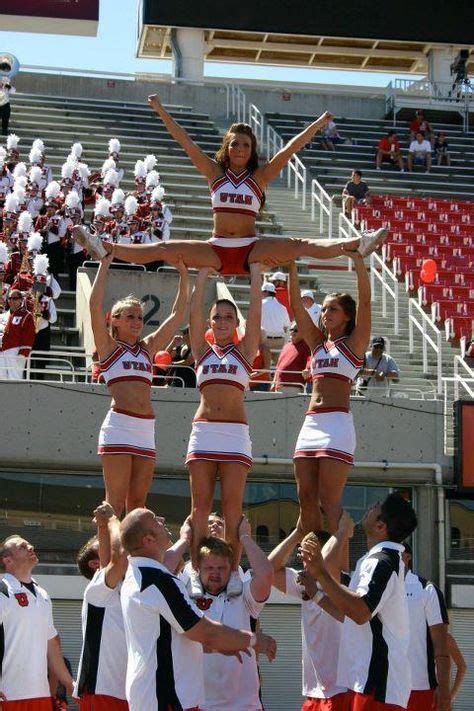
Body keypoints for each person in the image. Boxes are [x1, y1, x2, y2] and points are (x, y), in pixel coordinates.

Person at [73, 94, 389, 271]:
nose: (240, 149)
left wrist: (318, 125)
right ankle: (105, 248)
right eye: (235, 144)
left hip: (251, 248)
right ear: (227, 147)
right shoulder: (215, 173)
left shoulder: (260, 177)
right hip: (217, 249)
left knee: (298, 245)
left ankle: (358, 244)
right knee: (165, 248)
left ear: (252, 151)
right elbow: (186, 143)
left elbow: (290, 149)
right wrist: (161, 110)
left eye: (246, 145)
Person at [119, 508, 258, 711]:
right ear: (148, 540)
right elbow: (204, 631)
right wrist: (254, 640)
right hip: (165, 698)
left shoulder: (137, 575)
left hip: (155, 697)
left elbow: (170, 637)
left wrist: (219, 646)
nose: (162, 518)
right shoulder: (158, 581)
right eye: (155, 520)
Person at [89, 251, 188, 516]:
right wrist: (105, 263)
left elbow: (178, 315)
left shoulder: (147, 348)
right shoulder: (109, 347)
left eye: (139, 317)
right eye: (130, 317)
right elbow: (94, 306)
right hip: (120, 426)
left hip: (145, 429)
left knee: (138, 509)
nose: (136, 322)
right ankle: (106, 557)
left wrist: (183, 273)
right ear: (116, 320)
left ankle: (132, 559)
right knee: (114, 505)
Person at [301, 492, 418, 711]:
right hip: (369, 683)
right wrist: (316, 594)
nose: (371, 506)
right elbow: (350, 613)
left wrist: (321, 573)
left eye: (376, 505)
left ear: (381, 526)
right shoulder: (379, 559)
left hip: (378, 685)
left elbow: (360, 612)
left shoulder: (382, 561)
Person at [185, 263, 264, 588]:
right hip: (203, 432)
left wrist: (256, 279)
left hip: (234, 435)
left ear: (236, 323)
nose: (220, 321)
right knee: (200, 507)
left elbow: (256, 316)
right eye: (216, 317)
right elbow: (192, 315)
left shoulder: (245, 350)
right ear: (209, 321)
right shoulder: (201, 350)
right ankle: (195, 569)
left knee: (233, 508)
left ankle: (231, 573)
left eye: (227, 317)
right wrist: (201, 276)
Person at [289, 254, 370, 534]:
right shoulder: (317, 344)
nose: (326, 314)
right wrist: (290, 266)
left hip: (337, 423)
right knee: (306, 499)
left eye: (333, 309)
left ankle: (339, 564)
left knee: (329, 500)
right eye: (324, 309)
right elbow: (298, 310)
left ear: (347, 315)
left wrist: (358, 261)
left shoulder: (355, 343)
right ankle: (312, 563)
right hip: (311, 422)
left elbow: (366, 301)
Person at [270, 513, 355, 711]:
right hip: (314, 691)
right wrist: (296, 534)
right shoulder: (303, 582)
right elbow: (270, 570)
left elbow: (331, 565)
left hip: (342, 690)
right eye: (302, 553)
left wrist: (343, 531)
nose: (303, 559)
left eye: (309, 553)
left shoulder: (343, 582)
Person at [191, 518, 275, 711]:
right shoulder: (186, 596)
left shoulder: (243, 594)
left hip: (244, 705)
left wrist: (245, 537)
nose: (215, 573)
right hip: (200, 705)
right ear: (198, 569)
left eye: (221, 568)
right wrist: (188, 538)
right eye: (209, 568)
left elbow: (266, 575)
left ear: (231, 569)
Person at [0, 535, 74, 708]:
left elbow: (52, 644)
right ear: (7, 560)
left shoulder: (43, 595)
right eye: (22, 546)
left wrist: (70, 684)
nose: (31, 546)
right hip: (7, 695)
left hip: (40, 694)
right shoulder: (2, 593)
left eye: (29, 544)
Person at [74, 502, 129, 710]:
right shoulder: (97, 588)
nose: (112, 546)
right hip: (101, 690)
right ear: (95, 565)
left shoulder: (128, 586)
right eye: (104, 546)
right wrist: (112, 520)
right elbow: (120, 557)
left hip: (127, 690)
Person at [401, 542, 451, 711]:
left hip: (419, 687)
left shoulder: (426, 590)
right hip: (382, 687)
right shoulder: (372, 589)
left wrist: (444, 694)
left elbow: (441, 648)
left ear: (407, 557)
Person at [0, 289, 36, 379]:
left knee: (14, 379)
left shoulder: (27, 315)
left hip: (15, 352)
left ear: (21, 300)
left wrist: (23, 354)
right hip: (2, 351)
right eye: (10, 298)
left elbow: (29, 337)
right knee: (1, 379)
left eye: (15, 298)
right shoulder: (3, 315)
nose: (11, 301)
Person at [271, 321, 310, 392]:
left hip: (295, 387)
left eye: (296, 330)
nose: (292, 332)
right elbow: (278, 367)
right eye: (291, 330)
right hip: (279, 386)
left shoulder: (306, 347)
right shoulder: (286, 346)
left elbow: (308, 368)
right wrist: (274, 383)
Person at [261, 280, 291, 352]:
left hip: (264, 342)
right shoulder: (283, 307)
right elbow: (287, 326)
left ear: (266, 292)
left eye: (262, 292)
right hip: (280, 342)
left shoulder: (259, 305)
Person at [447, 633, 467, 703]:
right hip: (416, 692)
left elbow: (462, 667)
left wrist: (451, 697)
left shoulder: (446, 638)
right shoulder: (416, 639)